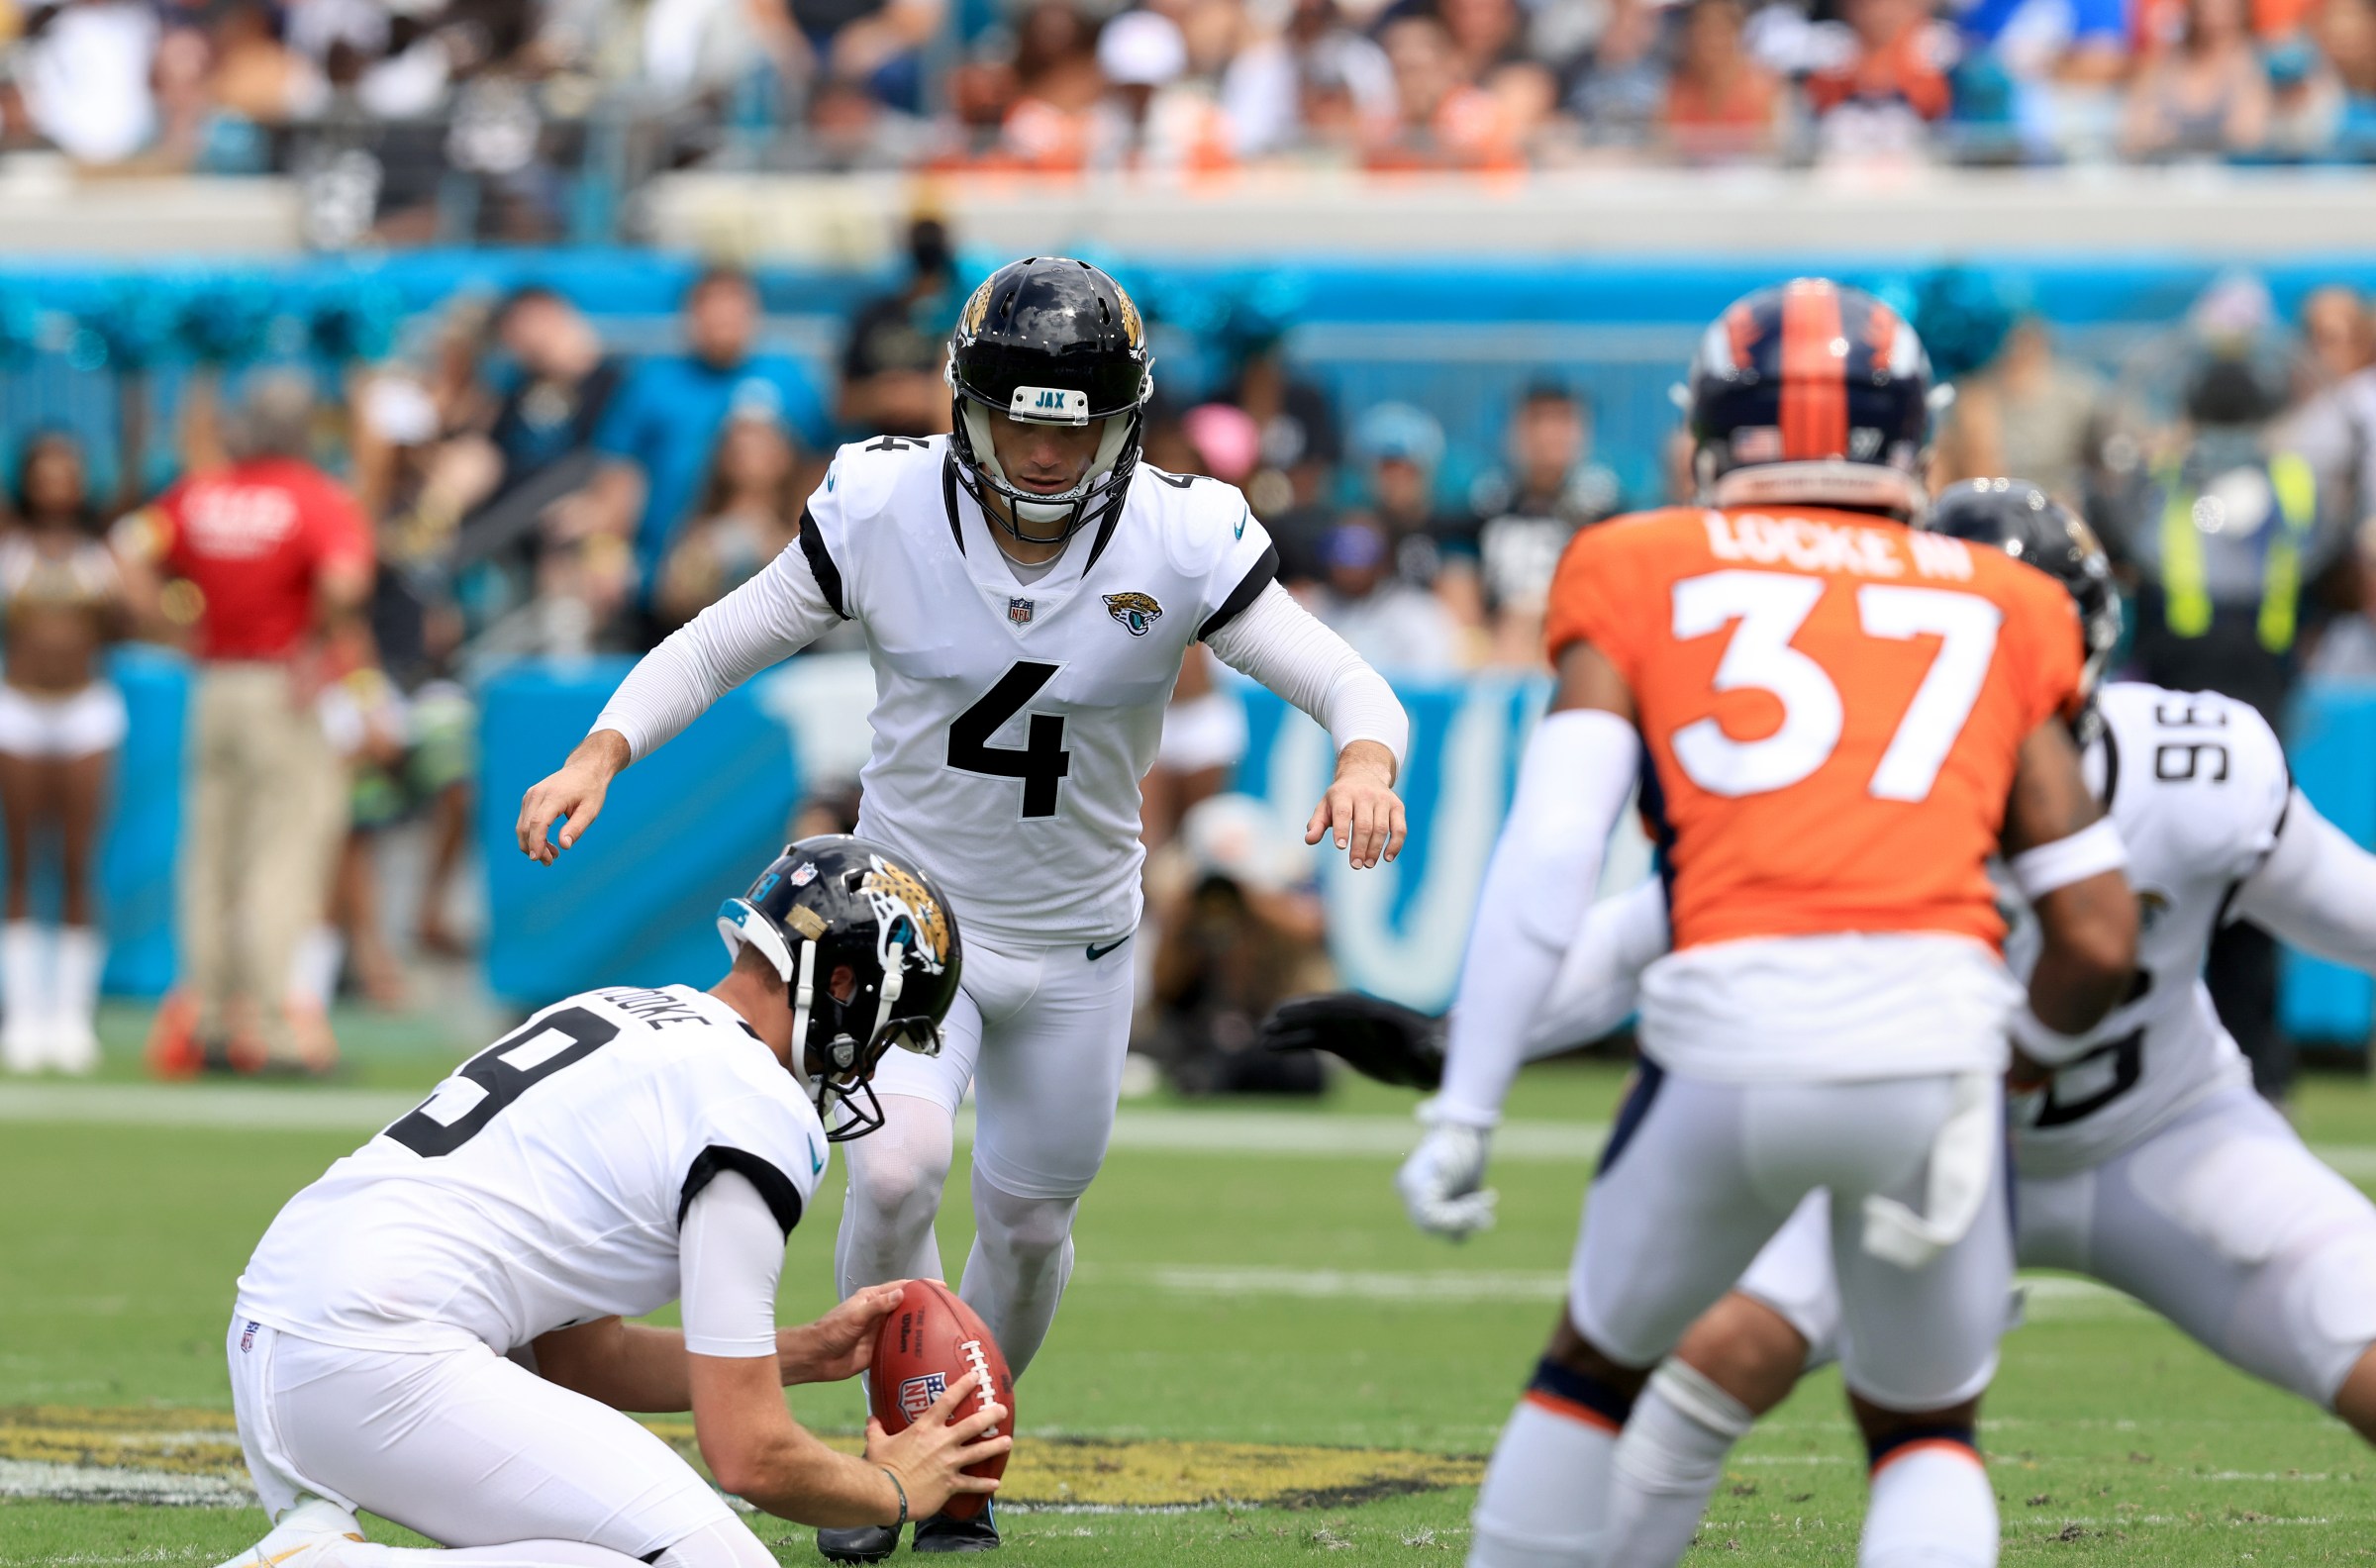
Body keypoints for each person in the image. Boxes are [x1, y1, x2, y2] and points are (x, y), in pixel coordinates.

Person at [1290, 481, 2376, 1567]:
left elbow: (2354, 912)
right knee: (1715, 1370)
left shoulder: (2199, 767)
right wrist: (1460, 1039)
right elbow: (1644, 935)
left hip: (2162, 1135)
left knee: (2352, 1324)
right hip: (1921, 1135)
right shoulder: (1865, 782)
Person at [517, 256, 1410, 1559]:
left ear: (1125, 425)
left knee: (1034, 1221)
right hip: (908, 940)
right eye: (1021, 422)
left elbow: (1343, 678)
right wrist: (605, 747)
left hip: (1082, 943)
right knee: (891, 1170)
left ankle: (967, 1449)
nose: (1046, 454)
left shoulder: (1183, 531)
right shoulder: (882, 504)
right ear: (966, 409)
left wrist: (1367, 759)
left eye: (1075, 427)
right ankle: (895, 1456)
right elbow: (724, 636)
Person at [1394, 281, 2137, 1568]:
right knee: (1924, 1431)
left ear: (1713, 431)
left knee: (1589, 1376)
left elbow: (1555, 849)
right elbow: (2096, 933)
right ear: (1911, 435)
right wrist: (2001, 1061)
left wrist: (1468, 1103)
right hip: (1935, 1049)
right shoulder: (2010, 602)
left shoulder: (1635, 558)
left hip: (1725, 1038)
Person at [206, 835, 1009, 1568]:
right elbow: (747, 1455)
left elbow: (582, 1361)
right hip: (372, 1350)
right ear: (842, 982)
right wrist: (895, 1489)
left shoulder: (624, 1010)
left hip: (281, 1330)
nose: (867, 1066)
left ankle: (313, 1543)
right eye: (882, 1030)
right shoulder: (757, 1107)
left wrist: (805, 1353)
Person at [114, 374, 374, 1076]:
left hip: (213, 681)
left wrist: (171, 623)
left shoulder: (200, 493)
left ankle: (202, 1015)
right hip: (280, 685)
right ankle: (269, 1026)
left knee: (210, 854)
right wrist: (318, 646)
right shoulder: (314, 496)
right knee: (283, 852)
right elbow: (345, 581)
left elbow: (126, 547)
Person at [585, 266, 836, 605]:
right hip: (671, 572)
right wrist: (605, 555)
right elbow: (619, 477)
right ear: (691, 316)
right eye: (710, 307)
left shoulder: (789, 378)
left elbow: (818, 467)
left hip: (774, 568)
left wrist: (803, 545)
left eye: (733, 306)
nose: (722, 319)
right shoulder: (653, 382)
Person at [0, 432, 129, 1073]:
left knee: (79, 863)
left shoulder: (104, 544)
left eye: (69, 470)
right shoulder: (9, 540)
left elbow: (132, 621)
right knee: (22, 863)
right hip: (18, 709)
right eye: (45, 471)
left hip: (85, 711)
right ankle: (23, 1018)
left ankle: (71, 1019)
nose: (58, 483)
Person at [656, 404, 809, 630]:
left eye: (760, 442)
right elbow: (673, 601)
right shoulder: (699, 531)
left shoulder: (806, 526)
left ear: (784, 455)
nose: (747, 450)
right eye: (738, 445)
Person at [841, 218, 962, 440]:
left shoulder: (964, 319)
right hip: (875, 444)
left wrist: (927, 396)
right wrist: (881, 397)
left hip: (941, 445)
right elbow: (842, 404)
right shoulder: (874, 317)